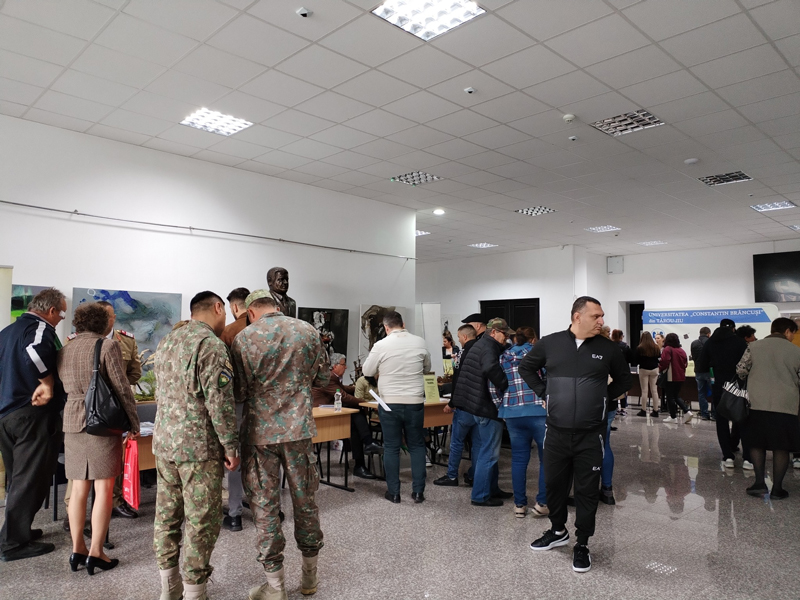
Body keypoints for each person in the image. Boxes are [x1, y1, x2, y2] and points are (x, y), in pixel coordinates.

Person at [520, 296, 631, 574]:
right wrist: (545, 392)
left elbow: (625, 379)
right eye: (596, 316)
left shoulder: (608, 348)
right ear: (577, 317)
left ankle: (582, 543)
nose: (602, 321)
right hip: (556, 432)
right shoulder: (551, 343)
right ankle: (558, 531)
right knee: (554, 487)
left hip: (590, 435)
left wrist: (601, 396)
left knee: (586, 491)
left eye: (602, 316)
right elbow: (526, 367)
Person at [231, 290, 328, 600]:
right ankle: (309, 578)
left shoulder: (244, 338)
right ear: (277, 306)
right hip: (298, 430)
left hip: (260, 434)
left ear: (250, 312)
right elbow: (323, 378)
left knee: (265, 507)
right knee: (305, 500)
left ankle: (275, 587)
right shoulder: (307, 331)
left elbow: (239, 391)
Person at [152, 291, 240, 600]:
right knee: (202, 520)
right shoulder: (210, 345)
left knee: (166, 516)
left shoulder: (167, 341)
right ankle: (194, 591)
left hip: (165, 444)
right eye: (224, 312)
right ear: (218, 308)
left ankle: (169, 587)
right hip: (198, 448)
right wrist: (230, 446)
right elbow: (220, 403)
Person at [58, 303, 140, 574]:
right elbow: (122, 388)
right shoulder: (106, 346)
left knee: (78, 489)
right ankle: (97, 552)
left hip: (72, 420)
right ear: (103, 323)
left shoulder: (65, 349)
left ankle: (77, 549)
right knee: (104, 489)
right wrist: (133, 423)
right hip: (102, 421)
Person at [0, 288, 67, 562]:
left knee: (18, 478)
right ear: (51, 311)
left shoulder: (7, 332)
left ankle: (17, 531)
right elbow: (34, 352)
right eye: (61, 314)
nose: (61, 319)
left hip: (7, 415)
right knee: (29, 479)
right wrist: (47, 383)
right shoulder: (39, 329)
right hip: (31, 415)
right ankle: (12, 544)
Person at [362, 310, 430, 504]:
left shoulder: (381, 345)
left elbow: (367, 370)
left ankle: (394, 493)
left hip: (389, 402)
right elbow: (427, 367)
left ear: (386, 327)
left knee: (391, 447)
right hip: (415, 401)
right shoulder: (420, 342)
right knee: (417, 446)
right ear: (403, 324)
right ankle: (418, 492)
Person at [450, 317, 512, 507]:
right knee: (489, 453)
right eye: (504, 334)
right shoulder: (488, 347)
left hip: (475, 405)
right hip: (485, 407)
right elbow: (490, 367)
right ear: (494, 332)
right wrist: (506, 385)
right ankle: (480, 495)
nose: (506, 338)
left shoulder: (481, 344)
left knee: (488, 450)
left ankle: (492, 489)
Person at [736, 318, 800, 499]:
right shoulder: (796, 351)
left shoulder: (753, 347)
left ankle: (759, 483)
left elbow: (741, 370)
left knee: (757, 443)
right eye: (793, 333)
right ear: (787, 331)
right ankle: (777, 489)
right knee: (782, 446)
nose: (793, 337)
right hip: (785, 405)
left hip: (757, 402)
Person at [497, 326, 548, 518]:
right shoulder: (539, 355)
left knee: (518, 459)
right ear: (533, 339)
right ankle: (542, 502)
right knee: (546, 459)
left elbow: (494, 385)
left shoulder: (504, 357)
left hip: (512, 412)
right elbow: (548, 379)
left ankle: (519, 505)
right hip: (539, 410)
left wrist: (501, 405)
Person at [312, 352, 383, 479]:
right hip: (321, 416)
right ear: (335, 366)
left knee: (354, 425)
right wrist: (364, 401)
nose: (345, 367)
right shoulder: (328, 378)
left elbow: (343, 388)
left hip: (332, 411)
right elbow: (343, 396)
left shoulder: (333, 377)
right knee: (356, 412)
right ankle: (367, 446)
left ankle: (362, 458)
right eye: (343, 364)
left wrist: (355, 387)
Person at [697, 318, 749, 469]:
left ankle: (728, 456)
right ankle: (747, 458)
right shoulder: (739, 342)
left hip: (719, 386)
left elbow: (702, 364)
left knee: (721, 421)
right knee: (742, 418)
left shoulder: (710, 342)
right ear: (733, 328)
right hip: (738, 386)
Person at [218, 287, 250, 533]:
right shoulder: (267, 330)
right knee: (264, 458)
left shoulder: (228, 332)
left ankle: (235, 513)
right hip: (265, 405)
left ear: (235, 307)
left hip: (238, 402)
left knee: (234, 458)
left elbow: (222, 375)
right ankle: (268, 508)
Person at [434, 323, 478, 487]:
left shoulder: (463, 354)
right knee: (477, 444)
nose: (458, 340)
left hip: (464, 406)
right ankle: (475, 474)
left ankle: (452, 475)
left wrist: (452, 403)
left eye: (459, 337)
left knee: (457, 442)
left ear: (465, 337)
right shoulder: (482, 350)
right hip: (479, 406)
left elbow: (458, 381)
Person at [659, 333, 693, 424]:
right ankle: (687, 411)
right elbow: (685, 363)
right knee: (676, 396)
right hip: (681, 376)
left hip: (671, 376)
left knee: (670, 397)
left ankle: (673, 416)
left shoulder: (667, 349)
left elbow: (664, 361)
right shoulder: (681, 350)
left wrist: (660, 368)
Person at [632, 332, 660, 418]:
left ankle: (643, 410)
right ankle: (655, 410)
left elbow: (636, 360)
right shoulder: (656, 347)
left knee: (644, 390)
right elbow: (659, 358)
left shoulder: (639, 348)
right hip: (654, 369)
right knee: (654, 390)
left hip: (643, 369)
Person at [691, 327, 713, 420]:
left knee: (701, 393)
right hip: (710, 372)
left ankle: (704, 414)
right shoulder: (711, 343)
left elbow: (693, 357)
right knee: (714, 392)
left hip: (698, 371)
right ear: (708, 334)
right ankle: (714, 415)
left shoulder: (694, 343)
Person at [611, 329, 631, 415]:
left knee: (613, 388)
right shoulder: (625, 347)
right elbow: (630, 359)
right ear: (621, 336)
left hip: (612, 369)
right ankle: (623, 407)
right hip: (624, 369)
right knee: (623, 388)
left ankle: (615, 407)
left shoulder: (610, 345)